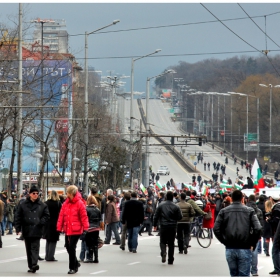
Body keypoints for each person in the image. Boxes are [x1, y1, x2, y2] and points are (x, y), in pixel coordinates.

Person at [213, 190, 262, 277]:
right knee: (244, 275)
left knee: (233, 275)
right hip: (245, 247)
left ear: (231, 198)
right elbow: (258, 228)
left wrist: (224, 241)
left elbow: (216, 228)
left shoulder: (224, 211)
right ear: (242, 198)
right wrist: (252, 243)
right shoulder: (249, 211)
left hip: (230, 247)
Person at [15, 186, 50, 273]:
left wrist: (41, 222)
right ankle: (31, 265)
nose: (35, 195)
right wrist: (18, 228)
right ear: (30, 194)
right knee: (28, 248)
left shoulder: (42, 205)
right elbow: (18, 216)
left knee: (35, 247)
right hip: (27, 228)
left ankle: (34, 264)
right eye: (33, 193)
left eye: (37, 193)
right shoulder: (23, 205)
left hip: (37, 229)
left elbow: (47, 216)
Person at [57, 185, 89, 275]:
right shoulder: (65, 203)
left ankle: (72, 267)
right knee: (67, 246)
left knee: (71, 247)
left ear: (71, 193)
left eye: (67, 192)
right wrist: (59, 227)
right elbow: (61, 216)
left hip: (76, 229)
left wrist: (86, 228)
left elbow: (84, 216)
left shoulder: (79, 203)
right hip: (68, 228)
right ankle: (76, 263)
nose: (66, 194)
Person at [153, 191, 183, 265]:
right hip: (172, 226)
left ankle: (163, 252)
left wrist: (154, 224)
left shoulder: (161, 205)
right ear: (173, 197)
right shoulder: (176, 206)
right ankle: (170, 259)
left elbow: (156, 216)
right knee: (171, 243)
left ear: (166, 197)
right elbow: (180, 217)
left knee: (162, 241)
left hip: (163, 225)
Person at [246, 194, 264, 276]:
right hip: (255, 233)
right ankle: (254, 270)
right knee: (254, 252)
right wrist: (260, 235)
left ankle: (246, 270)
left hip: (245, 234)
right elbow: (261, 224)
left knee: (245, 252)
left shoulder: (244, 209)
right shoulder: (259, 211)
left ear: (248, 200)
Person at [43, 190, 62, 261]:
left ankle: (47, 255)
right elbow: (61, 213)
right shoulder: (58, 203)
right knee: (53, 241)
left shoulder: (46, 203)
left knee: (48, 240)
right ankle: (51, 256)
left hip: (47, 223)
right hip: (55, 223)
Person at [84, 195, 101, 263]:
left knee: (89, 243)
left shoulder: (86, 209)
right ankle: (96, 258)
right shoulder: (97, 209)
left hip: (89, 228)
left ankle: (90, 257)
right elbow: (100, 219)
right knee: (95, 243)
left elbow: (85, 218)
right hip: (96, 228)